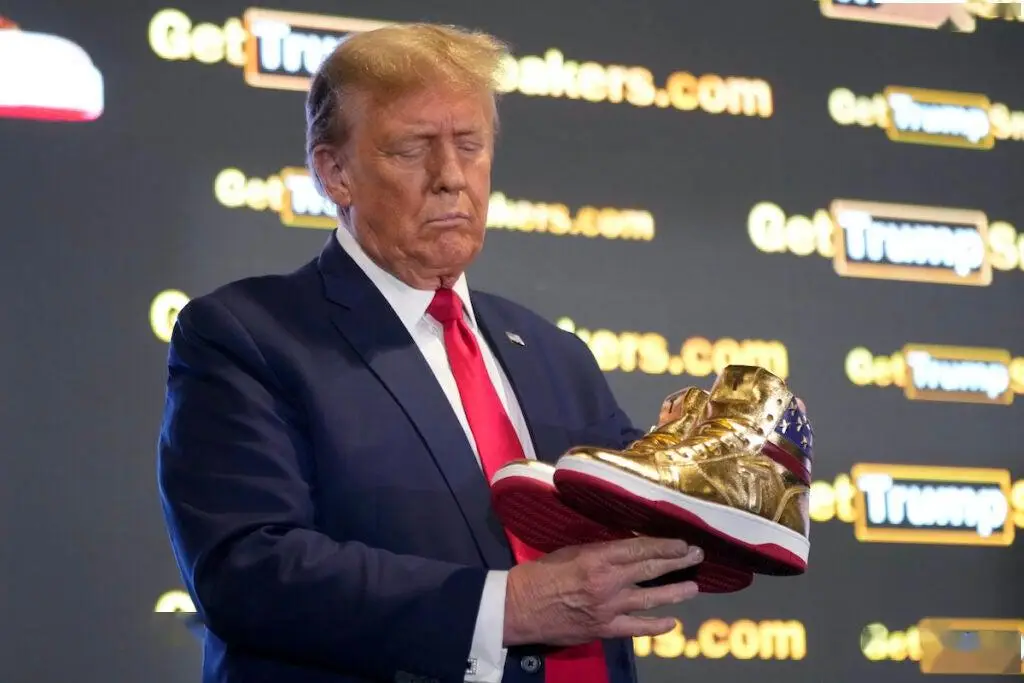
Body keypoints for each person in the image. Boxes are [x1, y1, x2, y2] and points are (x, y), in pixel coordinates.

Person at [156, 22, 703, 683]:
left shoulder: (555, 353)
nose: (451, 178)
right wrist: (505, 609)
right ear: (335, 173)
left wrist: (720, 470)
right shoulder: (248, 336)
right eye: (412, 149)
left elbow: (650, 525)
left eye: (470, 145)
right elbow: (247, 569)